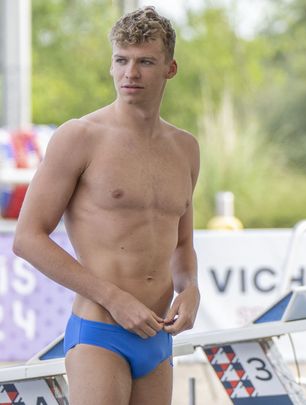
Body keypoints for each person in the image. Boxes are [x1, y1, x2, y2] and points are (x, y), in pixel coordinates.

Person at [12, 7, 199, 405]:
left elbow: (182, 243)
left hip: (157, 337)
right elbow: (27, 238)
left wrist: (190, 287)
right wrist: (113, 297)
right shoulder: (80, 137)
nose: (130, 73)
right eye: (121, 60)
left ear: (170, 68)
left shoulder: (185, 149)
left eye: (145, 61)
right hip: (101, 332)